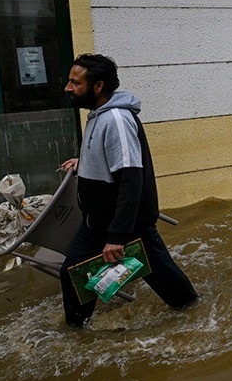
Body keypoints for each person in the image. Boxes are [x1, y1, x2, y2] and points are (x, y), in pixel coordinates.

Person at [58, 54, 198, 328]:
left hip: (127, 227)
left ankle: (198, 318)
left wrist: (117, 237)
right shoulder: (98, 116)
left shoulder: (117, 121)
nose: (68, 88)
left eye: (75, 83)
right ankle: (76, 332)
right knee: (72, 275)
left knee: (171, 288)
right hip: (97, 223)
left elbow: (131, 179)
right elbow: (111, 160)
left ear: (97, 87)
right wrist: (83, 162)